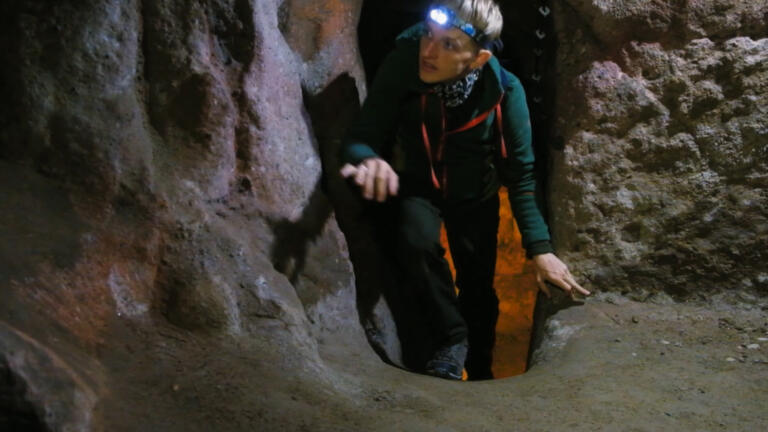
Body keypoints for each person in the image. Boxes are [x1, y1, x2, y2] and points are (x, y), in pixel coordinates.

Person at [340, 0, 590, 381]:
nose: (429, 51)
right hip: (419, 184)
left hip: (476, 194)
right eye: (428, 35)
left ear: (478, 58)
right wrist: (368, 158)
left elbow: (521, 175)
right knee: (416, 242)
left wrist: (540, 249)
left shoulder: (505, 91)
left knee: (478, 286)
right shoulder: (403, 63)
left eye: (448, 44)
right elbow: (362, 135)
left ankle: (481, 369)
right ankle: (452, 339)